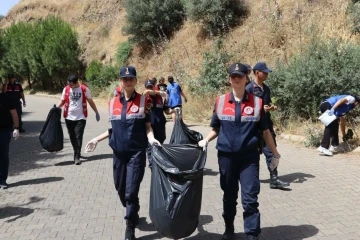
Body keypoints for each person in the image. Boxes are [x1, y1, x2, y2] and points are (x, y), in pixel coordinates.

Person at [198, 63, 281, 240]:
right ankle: (229, 229)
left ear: (246, 78)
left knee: (250, 198)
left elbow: (265, 132)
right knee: (229, 196)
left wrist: (275, 154)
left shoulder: (257, 103)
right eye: (233, 76)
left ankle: (252, 234)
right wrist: (205, 140)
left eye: (240, 76)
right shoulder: (220, 101)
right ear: (229, 79)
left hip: (249, 159)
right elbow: (215, 128)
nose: (237, 78)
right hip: (226, 157)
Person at [84, 66, 161, 240]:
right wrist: (96, 139)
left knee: (130, 191)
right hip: (118, 154)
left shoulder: (144, 101)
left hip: (136, 153)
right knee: (120, 188)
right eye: (124, 79)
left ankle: (129, 228)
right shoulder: (112, 103)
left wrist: (151, 139)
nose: (127, 82)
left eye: (131, 79)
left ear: (135, 81)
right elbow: (113, 129)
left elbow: (147, 127)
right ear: (121, 81)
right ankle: (133, 209)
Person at [245, 62, 289, 189]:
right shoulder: (249, 89)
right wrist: (258, 109)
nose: (267, 74)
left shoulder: (266, 89)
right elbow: (245, 108)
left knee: (271, 151)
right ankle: (249, 178)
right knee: (251, 153)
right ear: (257, 72)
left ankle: (274, 178)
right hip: (252, 127)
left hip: (266, 125)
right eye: (265, 72)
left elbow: (266, 104)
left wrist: (270, 107)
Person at [57, 74, 100, 165]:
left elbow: (90, 101)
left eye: (71, 85)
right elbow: (62, 101)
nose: (70, 86)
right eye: (68, 84)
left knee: (78, 136)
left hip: (81, 117)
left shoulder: (84, 89)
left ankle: (77, 156)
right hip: (68, 117)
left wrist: (96, 112)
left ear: (76, 83)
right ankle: (76, 150)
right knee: (72, 136)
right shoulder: (66, 89)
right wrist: (56, 109)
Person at [143, 79, 174, 168]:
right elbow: (146, 92)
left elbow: (166, 110)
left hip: (160, 125)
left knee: (160, 143)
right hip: (149, 127)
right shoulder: (144, 97)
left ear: (154, 86)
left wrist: (174, 111)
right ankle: (153, 165)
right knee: (150, 146)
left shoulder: (160, 98)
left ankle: (157, 161)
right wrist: (158, 92)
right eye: (148, 87)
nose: (149, 89)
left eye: (151, 87)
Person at [0, 80, 20, 189]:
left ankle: (2, 179)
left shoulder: (7, 99)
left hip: (4, 131)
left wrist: (16, 128)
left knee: (3, 155)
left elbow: (14, 113)